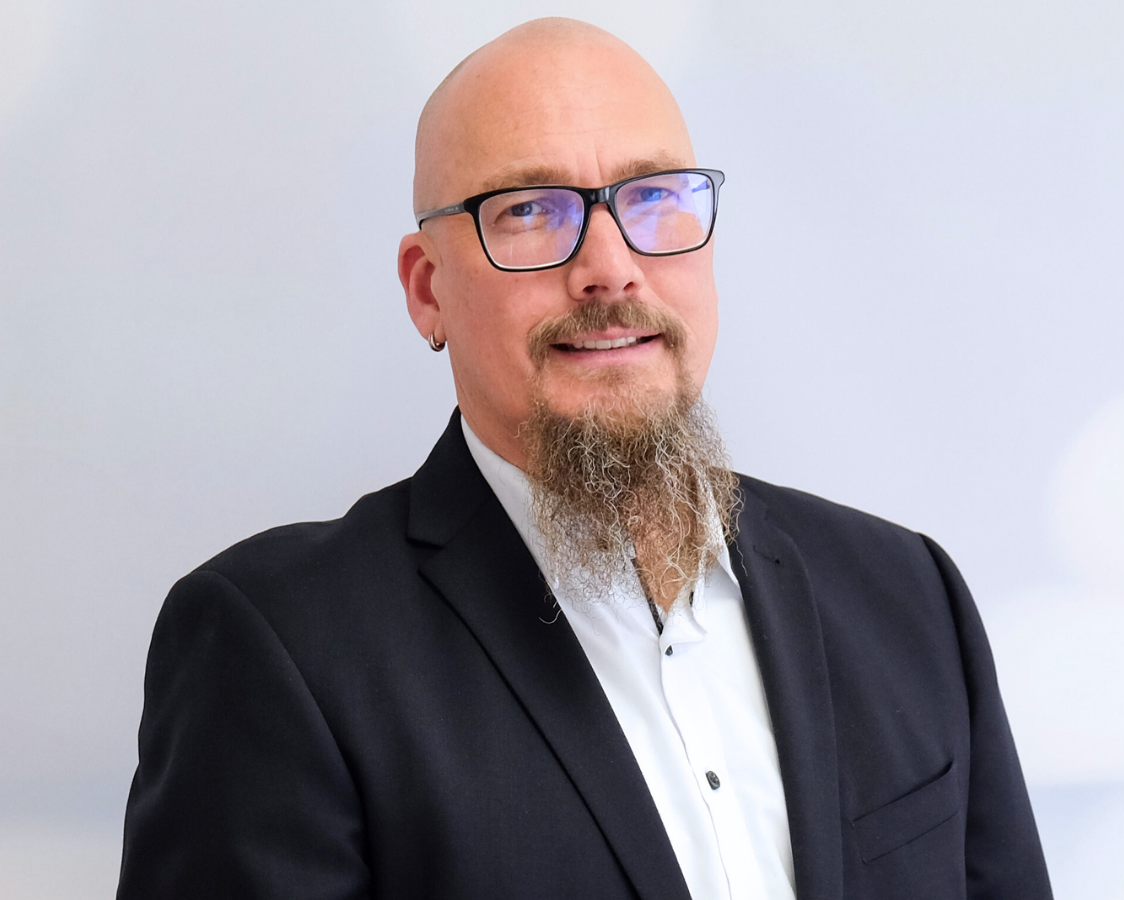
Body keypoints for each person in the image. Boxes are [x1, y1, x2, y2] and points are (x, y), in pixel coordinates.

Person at [117, 18, 1053, 900]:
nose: (610, 266)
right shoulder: (279, 647)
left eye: (653, 197)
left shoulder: (908, 593)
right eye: (530, 209)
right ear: (427, 290)